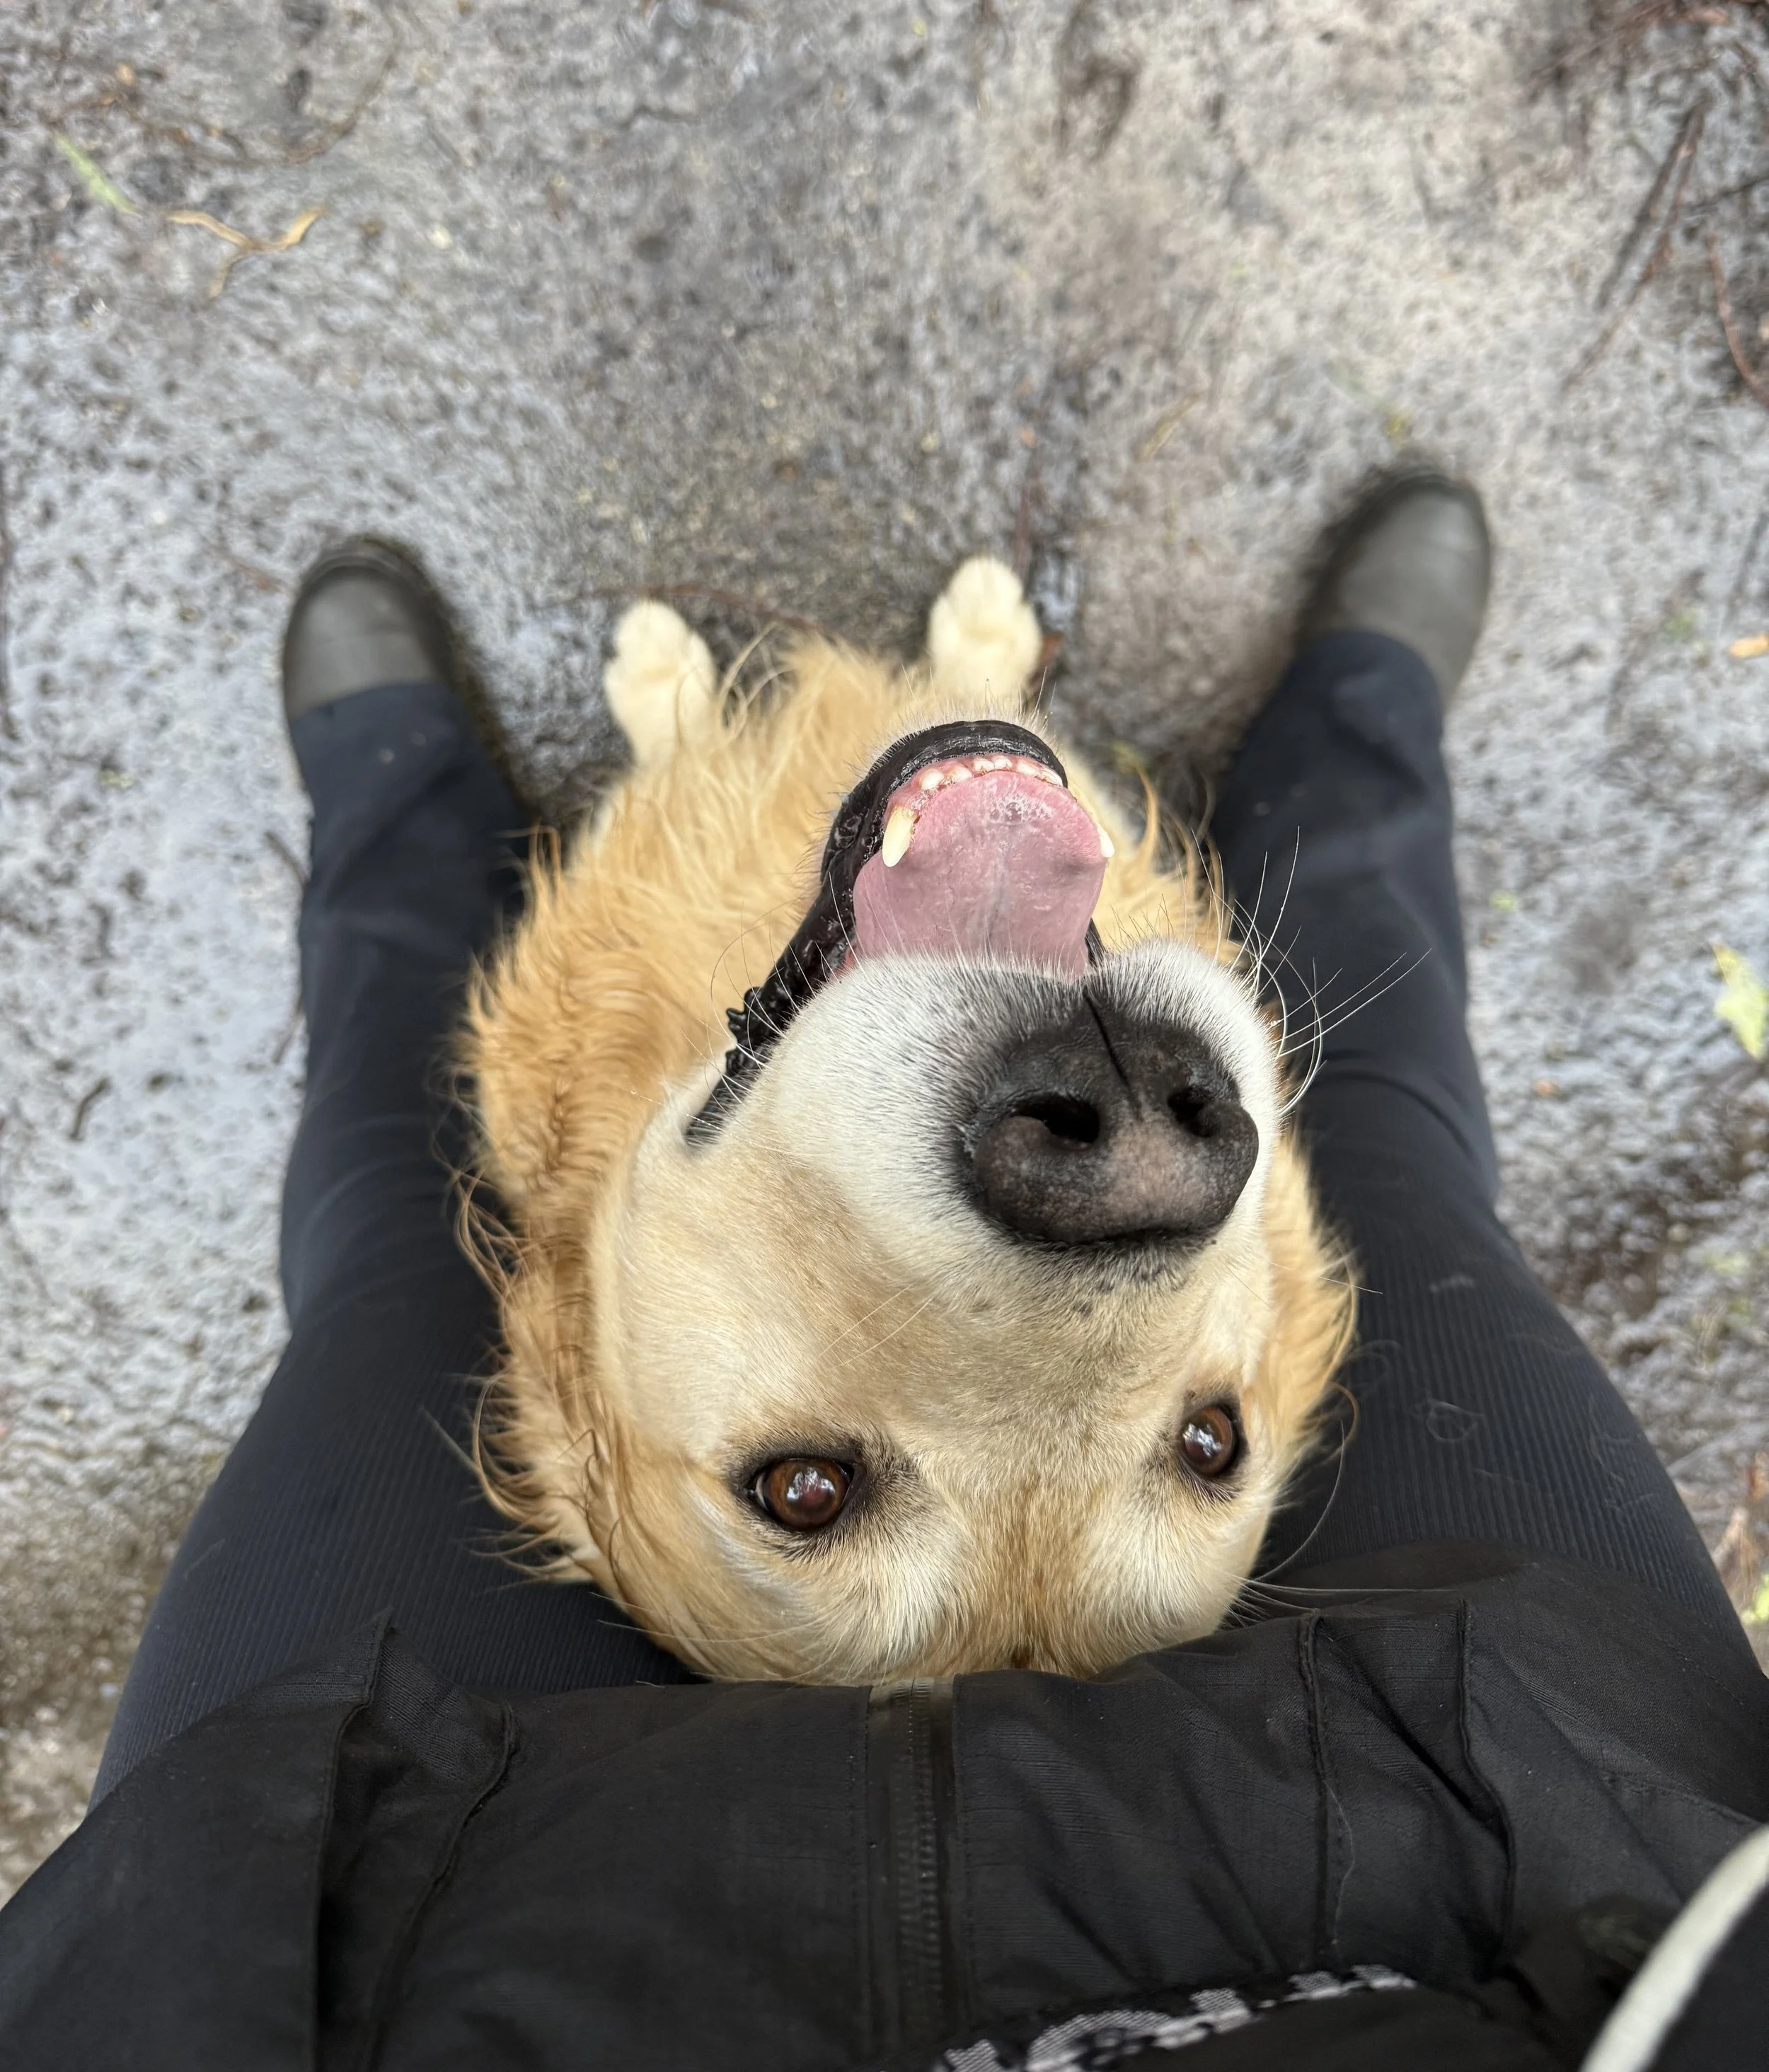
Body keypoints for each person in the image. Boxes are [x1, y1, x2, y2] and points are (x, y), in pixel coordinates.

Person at [1, 471, 1765, 2071]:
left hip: (417, 1972)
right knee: (1394, 1147)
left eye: (810, 1486)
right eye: (1199, 1444)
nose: (1133, 1183)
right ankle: (1351, 732)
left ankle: (401, 818)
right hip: (1554, 1881)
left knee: (396, 1216)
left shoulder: (569, 1409)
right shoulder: (1231, 1256)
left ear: (579, 1434)